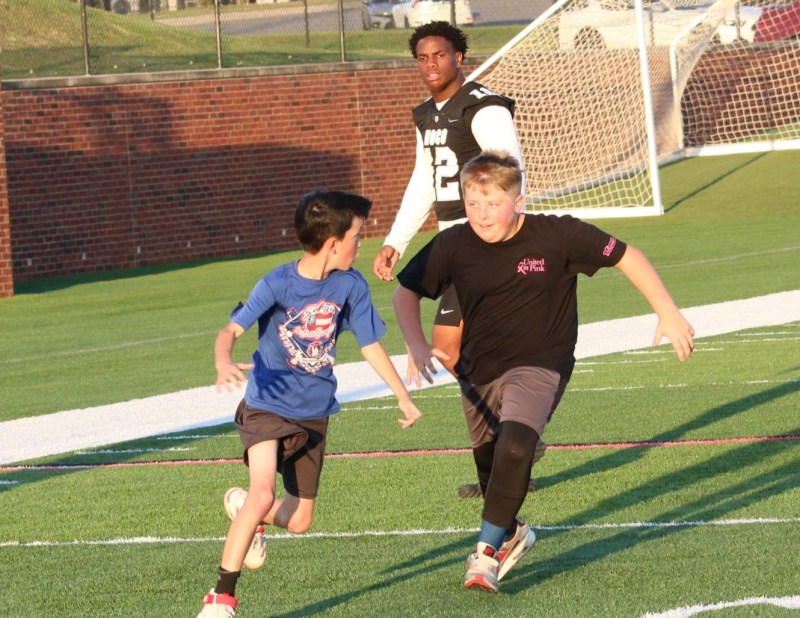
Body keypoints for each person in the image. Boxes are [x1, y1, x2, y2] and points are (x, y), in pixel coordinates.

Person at [392, 150, 695, 592]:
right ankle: (510, 532)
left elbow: (626, 255)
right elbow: (405, 290)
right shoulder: (453, 243)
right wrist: (416, 343)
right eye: (473, 203)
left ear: (518, 201)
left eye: (493, 204)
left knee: (516, 448)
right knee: (492, 468)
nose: (481, 214)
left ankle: (484, 554)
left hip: (541, 362)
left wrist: (667, 311)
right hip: (478, 372)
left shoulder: (558, 235)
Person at [197, 190, 423, 617]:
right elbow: (230, 331)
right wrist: (223, 359)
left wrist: (402, 395)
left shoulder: (351, 285)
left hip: (314, 413)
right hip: (267, 403)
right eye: (357, 236)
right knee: (263, 491)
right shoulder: (277, 283)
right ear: (333, 243)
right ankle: (220, 600)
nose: (361, 244)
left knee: (300, 520)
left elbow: (370, 344)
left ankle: (247, 512)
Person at [370, 20, 542, 497]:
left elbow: (511, 172)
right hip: (453, 242)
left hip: (484, 241)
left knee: (453, 350)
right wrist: (397, 239)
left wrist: (500, 237)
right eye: (422, 58)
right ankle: (513, 442)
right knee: (454, 354)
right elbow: (423, 180)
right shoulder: (427, 114)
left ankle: (515, 438)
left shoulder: (484, 106)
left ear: (458, 57)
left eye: (440, 55)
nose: (431, 65)